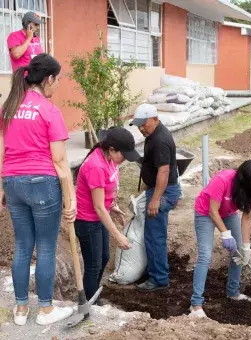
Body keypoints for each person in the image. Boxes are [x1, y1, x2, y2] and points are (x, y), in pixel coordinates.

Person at [0, 54, 76, 326]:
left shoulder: (8, 107)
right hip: (42, 183)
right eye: (58, 81)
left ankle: (21, 310)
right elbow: (59, 161)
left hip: (13, 182)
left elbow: (2, 148)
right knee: (45, 248)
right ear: (48, 79)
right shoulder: (49, 110)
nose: (57, 86)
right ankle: (45, 310)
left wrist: (3, 185)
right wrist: (71, 198)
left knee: (22, 246)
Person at [189, 160, 251, 318]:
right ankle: (196, 304)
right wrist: (225, 234)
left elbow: (246, 218)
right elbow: (213, 211)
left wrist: (246, 247)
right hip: (205, 212)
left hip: (228, 213)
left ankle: (232, 292)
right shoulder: (223, 180)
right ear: (244, 180)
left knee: (238, 253)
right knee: (205, 255)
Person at [75, 127, 141, 302]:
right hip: (87, 221)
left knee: (103, 258)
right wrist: (118, 236)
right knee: (93, 264)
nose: (125, 159)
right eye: (124, 155)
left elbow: (104, 193)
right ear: (112, 149)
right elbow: (97, 206)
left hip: (100, 217)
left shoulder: (110, 159)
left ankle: (92, 294)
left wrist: (112, 206)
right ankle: (88, 303)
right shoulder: (95, 166)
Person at [129, 103, 180, 291]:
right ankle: (154, 270)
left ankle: (159, 278)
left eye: (145, 124)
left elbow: (164, 171)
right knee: (151, 235)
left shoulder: (160, 140)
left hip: (164, 192)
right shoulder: (153, 134)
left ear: (155, 119)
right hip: (158, 189)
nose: (142, 128)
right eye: (139, 125)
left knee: (155, 236)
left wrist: (156, 199)